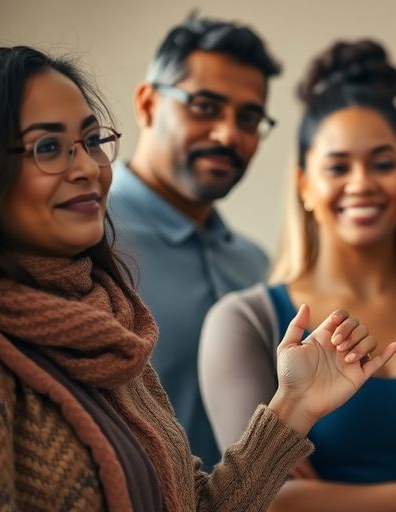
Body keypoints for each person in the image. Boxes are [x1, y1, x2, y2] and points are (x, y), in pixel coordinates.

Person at [0, 45, 396, 512]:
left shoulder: (115, 325)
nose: (86, 168)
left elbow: (193, 506)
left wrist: (294, 406)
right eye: (48, 148)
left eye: (93, 141)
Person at [199, 40, 396, 512]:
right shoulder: (247, 320)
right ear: (304, 184)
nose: (362, 183)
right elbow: (262, 499)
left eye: (383, 163)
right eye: (337, 166)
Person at [107, 15, 279, 469]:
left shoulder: (256, 265)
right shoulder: (87, 241)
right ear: (147, 104)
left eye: (249, 117)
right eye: (205, 106)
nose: (228, 134)